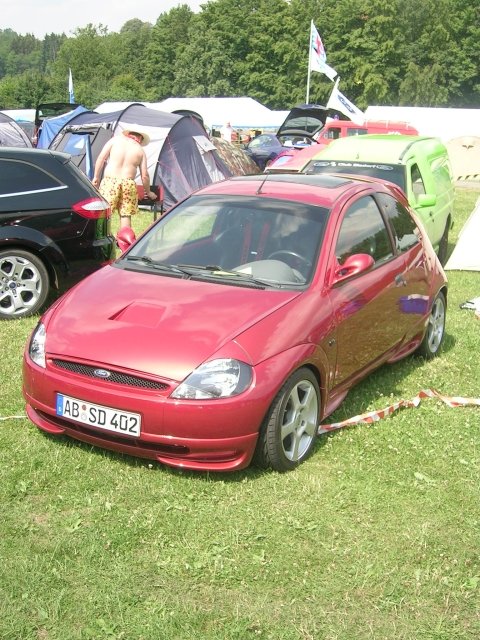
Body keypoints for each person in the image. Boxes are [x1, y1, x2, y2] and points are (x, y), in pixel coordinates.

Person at [92, 127, 157, 229]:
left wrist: (96, 177)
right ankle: (125, 241)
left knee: (104, 212)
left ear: (128, 134)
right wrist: (148, 192)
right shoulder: (140, 150)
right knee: (125, 214)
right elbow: (145, 175)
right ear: (140, 139)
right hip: (128, 184)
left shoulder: (115, 140)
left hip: (110, 182)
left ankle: (99, 236)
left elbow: (101, 158)